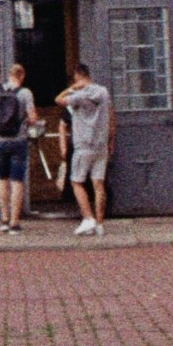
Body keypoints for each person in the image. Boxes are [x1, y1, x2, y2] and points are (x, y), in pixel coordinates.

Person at [58, 60, 114, 234]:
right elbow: (111, 115)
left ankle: (88, 218)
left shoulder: (79, 95)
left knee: (76, 182)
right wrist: (111, 139)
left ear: (77, 76)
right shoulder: (103, 92)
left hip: (83, 144)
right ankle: (99, 223)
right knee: (98, 184)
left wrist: (72, 88)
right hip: (100, 144)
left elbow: (58, 100)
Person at [0, 59, 37, 234]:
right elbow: (33, 118)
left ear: (9, 75)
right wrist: (24, 122)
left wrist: (1, 124)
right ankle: (15, 222)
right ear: (21, 76)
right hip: (18, 141)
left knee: (2, 180)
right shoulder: (25, 93)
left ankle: (4, 219)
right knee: (17, 182)